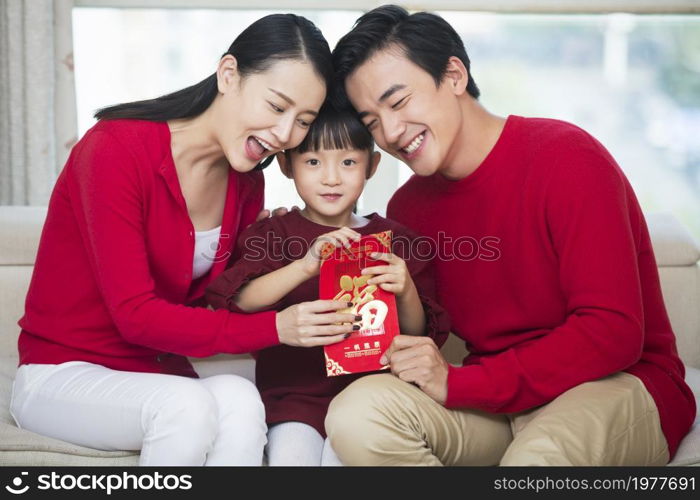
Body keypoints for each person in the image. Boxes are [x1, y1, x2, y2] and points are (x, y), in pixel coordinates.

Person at [324, 5, 696, 466]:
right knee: (356, 415)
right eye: (372, 121)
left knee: (535, 462)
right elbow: (421, 331)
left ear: (454, 75)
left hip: (614, 385)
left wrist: (461, 383)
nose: (392, 132)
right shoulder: (409, 209)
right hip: (495, 403)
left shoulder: (566, 158)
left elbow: (613, 333)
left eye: (398, 102)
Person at [10, 14, 358, 466]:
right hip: (61, 373)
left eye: (302, 120)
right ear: (228, 74)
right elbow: (135, 316)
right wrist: (279, 327)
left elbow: (219, 303)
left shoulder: (246, 183)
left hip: (156, 372)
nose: (284, 134)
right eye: (276, 106)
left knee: (240, 397)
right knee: (186, 406)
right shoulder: (115, 149)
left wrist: (278, 246)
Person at [206, 104, 450, 466]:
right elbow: (239, 300)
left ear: (372, 165)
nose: (331, 178)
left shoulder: (396, 240)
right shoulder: (273, 233)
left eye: (348, 162)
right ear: (287, 166)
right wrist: (305, 266)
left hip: (369, 400)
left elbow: (418, 333)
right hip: (293, 398)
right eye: (313, 162)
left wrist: (406, 290)